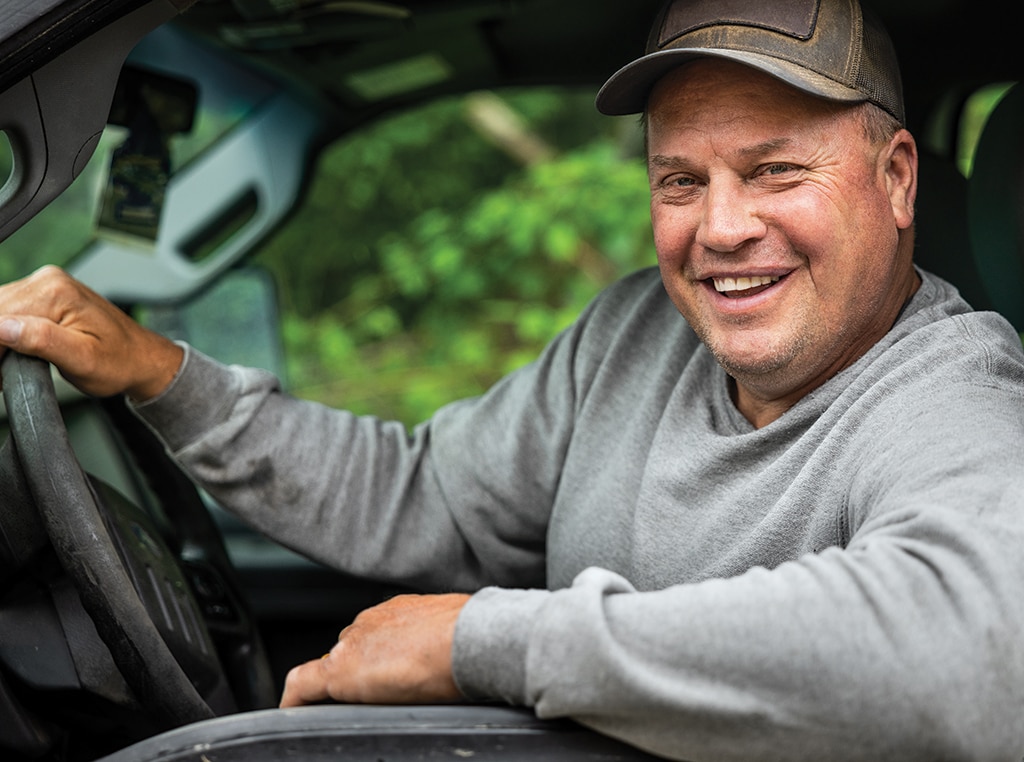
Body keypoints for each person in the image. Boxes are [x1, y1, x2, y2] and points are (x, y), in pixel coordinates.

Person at [2, 0, 1024, 759]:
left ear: (895, 179)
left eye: (774, 172)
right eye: (680, 180)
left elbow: (972, 655)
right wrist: (157, 372)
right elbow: (421, 497)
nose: (720, 229)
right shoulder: (634, 331)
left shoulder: (952, 390)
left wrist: (480, 640)